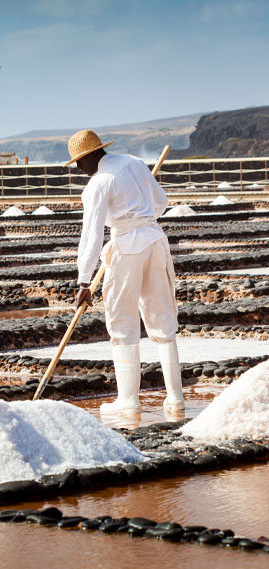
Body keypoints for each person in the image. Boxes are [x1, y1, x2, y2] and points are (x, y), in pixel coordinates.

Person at [65, 129, 184, 414]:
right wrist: (140, 214)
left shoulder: (97, 184)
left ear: (93, 155)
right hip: (155, 241)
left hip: (126, 246)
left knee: (121, 323)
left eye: (80, 162)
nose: (80, 168)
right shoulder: (133, 162)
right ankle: (175, 398)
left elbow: (91, 236)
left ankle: (128, 401)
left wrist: (83, 280)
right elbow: (161, 203)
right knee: (162, 321)